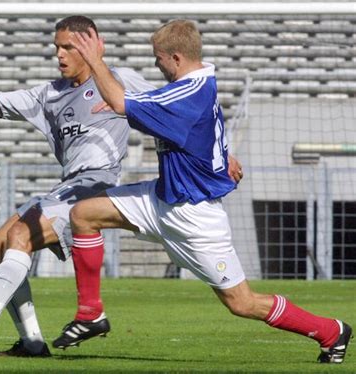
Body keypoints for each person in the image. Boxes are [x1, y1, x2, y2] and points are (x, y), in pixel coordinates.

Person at [0, 15, 244, 357]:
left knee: (18, 235)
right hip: (66, 187)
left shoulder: (120, 80)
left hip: (94, 187)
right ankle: (33, 343)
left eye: (68, 46)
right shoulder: (49, 94)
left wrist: (221, 155)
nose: (61, 54)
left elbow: (181, 110)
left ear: (90, 47)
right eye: (57, 47)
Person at [52, 20, 352, 364]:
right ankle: (90, 314)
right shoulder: (196, 83)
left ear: (176, 58)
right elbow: (179, 114)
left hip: (196, 218)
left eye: (158, 59)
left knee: (241, 303)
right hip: (160, 199)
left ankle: (331, 331)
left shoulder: (186, 94)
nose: (156, 65)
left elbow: (127, 103)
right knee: (84, 214)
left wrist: (95, 61)